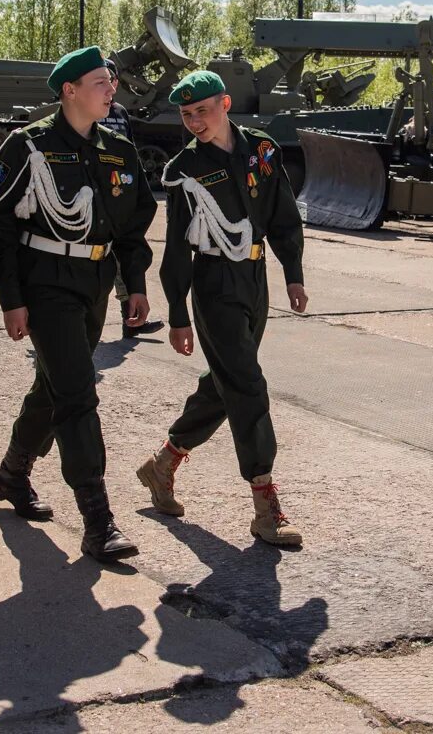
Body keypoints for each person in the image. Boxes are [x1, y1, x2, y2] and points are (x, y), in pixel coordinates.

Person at [0, 45, 158, 563]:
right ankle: (97, 519)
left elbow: (133, 226)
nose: (112, 90)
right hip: (46, 281)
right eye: (102, 82)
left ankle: (13, 473)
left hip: (96, 281)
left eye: (111, 82)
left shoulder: (117, 149)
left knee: (56, 385)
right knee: (79, 393)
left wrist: (137, 285)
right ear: (69, 91)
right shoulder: (28, 146)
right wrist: (11, 300)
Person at [137, 70, 308, 547]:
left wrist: (293, 273)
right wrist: (176, 312)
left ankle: (163, 464)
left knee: (225, 383)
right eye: (187, 114)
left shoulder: (263, 150)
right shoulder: (186, 170)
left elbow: (282, 214)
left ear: (226, 104)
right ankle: (264, 502)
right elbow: (175, 247)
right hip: (213, 283)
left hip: (255, 281)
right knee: (248, 386)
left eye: (203, 110)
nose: (195, 121)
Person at [98, 94, 165, 338]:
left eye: (112, 79)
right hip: (102, 187)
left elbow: (130, 146)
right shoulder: (90, 111)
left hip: (122, 185)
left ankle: (132, 319)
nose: (111, 85)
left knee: (129, 253)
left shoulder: (120, 112)